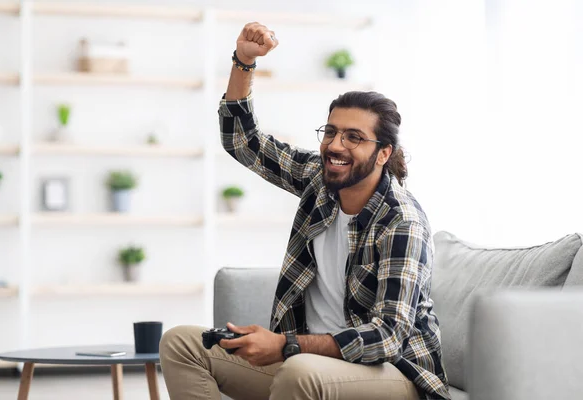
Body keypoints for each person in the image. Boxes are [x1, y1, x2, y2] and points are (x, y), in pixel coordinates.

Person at [159, 22, 450, 400]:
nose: (336, 146)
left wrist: (286, 345)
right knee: (182, 342)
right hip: (306, 364)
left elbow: (388, 337)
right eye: (331, 132)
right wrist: (244, 61)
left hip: (395, 377)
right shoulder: (319, 179)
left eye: (354, 137)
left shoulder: (401, 221)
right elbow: (243, 142)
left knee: (298, 371)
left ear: (383, 154)